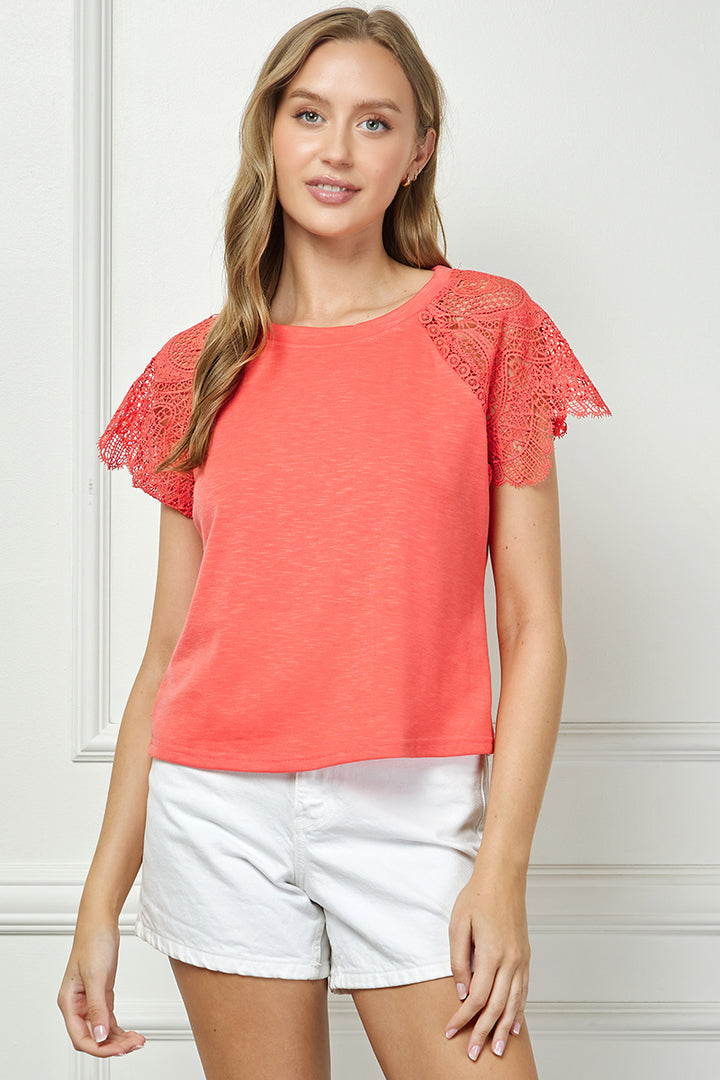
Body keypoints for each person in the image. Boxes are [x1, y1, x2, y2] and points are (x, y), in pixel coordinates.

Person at [57, 6, 610, 1078]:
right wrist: (98, 903)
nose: (337, 149)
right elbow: (168, 654)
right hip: (214, 813)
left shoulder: (485, 329)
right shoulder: (200, 366)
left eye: (375, 122)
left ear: (419, 152)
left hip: (410, 811)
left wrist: (501, 871)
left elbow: (535, 628)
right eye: (310, 114)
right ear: (270, 131)